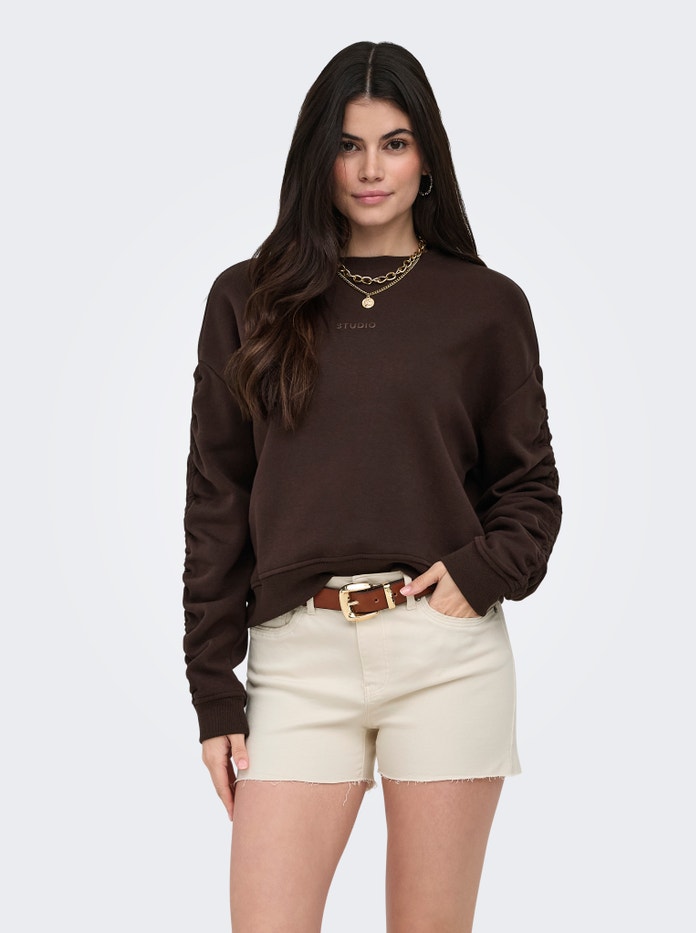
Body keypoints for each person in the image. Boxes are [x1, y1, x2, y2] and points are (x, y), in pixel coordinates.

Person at [183, 40, 562, 933]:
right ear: (317, 157)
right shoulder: (247, 300)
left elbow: (531, 490)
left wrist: (478, 573)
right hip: (296, 659)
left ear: (426, 155)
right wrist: (213, 689)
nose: (369, 170)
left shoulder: (486, 306)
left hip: (445, 655)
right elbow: (216, 500)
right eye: (347, 146)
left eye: (394, 144)